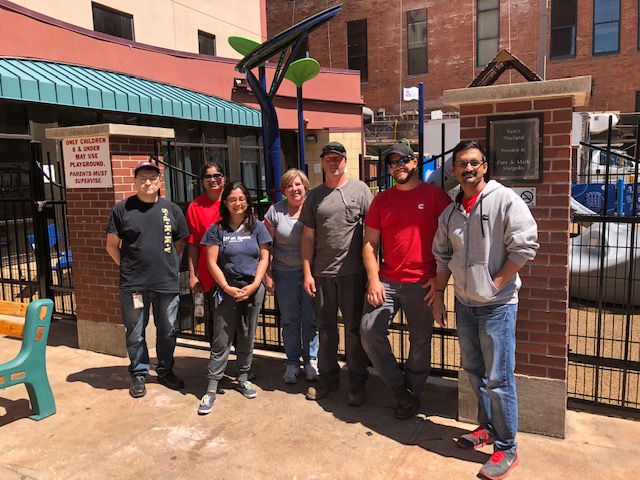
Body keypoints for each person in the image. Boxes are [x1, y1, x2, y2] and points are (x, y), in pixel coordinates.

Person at [430, 140, 539, 480]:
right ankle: (487, 428)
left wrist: (495, 284)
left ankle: (507, 448)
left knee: (499, 379)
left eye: (474, 163)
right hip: (465, 306)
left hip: (498, 307)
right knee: (475, 373)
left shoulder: (505, 199)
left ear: (485, 166)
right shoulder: (449, 213)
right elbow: (442, 256)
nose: (468, 169)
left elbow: (525, 245)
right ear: (454, 171)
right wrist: (438, 295)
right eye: (462, 164)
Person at [360, 142, 451, 419]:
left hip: (422, 283)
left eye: (403, 161)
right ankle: (400, 389)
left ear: (414, 163)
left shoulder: (436, 197)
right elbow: (369, 243)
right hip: (387, 280)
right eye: (393, 163)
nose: (398, 166)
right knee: (368, 330)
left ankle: (412, 395)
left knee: (420, 340)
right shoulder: (382, 200)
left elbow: (450, 243)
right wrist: (373, 280)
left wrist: (439, 285)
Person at [105, 161, 190, 398]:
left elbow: (179, 243)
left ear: (159, 182)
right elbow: (111, 246)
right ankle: (139, 373)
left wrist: (169, 265)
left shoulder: (171, 210)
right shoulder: (121, 209)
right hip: (134, 285)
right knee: (135, 332)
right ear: (135, 182)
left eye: (152, 178)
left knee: (168, 330)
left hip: (166, 283)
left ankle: (165, 370)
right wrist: (128, 268)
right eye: (142, 178)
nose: (147, 182)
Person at [301, 141, 372, 405]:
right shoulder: (315, 196)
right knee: (326, 329)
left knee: (354, 330)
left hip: (352, 273)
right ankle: (328, 379)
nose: (333, 163)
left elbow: (373, 231)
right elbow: (307, 238)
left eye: (338, 158)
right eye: (329, 158)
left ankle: (357, 382)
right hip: (322, 274)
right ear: (323, 162)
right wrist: (307, 272)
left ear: (345, 161)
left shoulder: (361, 191)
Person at [198, 182, 271, 415]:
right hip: (227, 290)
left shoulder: (257, 227)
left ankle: (243, 376)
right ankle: (212, 386)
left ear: (247, 201)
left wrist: (255, 285)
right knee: (222, 336)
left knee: (247, 334)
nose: (237, 203)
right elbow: (211, 262)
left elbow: (264, 257)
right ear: (225, 203)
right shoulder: (216, 229)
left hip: (251, 288)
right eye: (232, 199)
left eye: (241, 198)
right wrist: (227, 288)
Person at [264, 169, 319, 384]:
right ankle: (292, 363)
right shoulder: (275, 211)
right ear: (284, 190)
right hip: (284, 272)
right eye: (289, 186)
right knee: (289, 320)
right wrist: (268, 275)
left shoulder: (313, 208)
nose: (294, 189)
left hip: (311, 274)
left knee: (311, 318)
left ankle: (311, 360)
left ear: (305, 186)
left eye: (298, 184)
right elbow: (266, 246)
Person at [186, 162, 225, 340]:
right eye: (207, 176)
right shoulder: (196, 206)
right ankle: (216, 364)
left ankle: (241, 364)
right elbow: (193, 244)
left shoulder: (234, 200)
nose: (213, 180)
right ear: (202, 181)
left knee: (239, 321)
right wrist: (193, 275)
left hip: (234, 270)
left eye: (217, 175)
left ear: (224, 178)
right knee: (213, 322)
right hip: (208, 273)